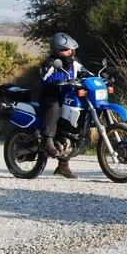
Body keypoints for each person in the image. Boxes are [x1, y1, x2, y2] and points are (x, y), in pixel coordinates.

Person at [39, 32, 88, 179]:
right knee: (54, 108)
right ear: (56, 50)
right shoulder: (51, 62)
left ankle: (63, 166)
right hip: (51, 96)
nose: (68, 52)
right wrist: (60, 79)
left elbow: (85, 71)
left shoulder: (74, 62)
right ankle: (47, 140)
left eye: (69, 50)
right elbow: (44, 77)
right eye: (64, 50)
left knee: (70, 127)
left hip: (68, 97)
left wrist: (94, 77)